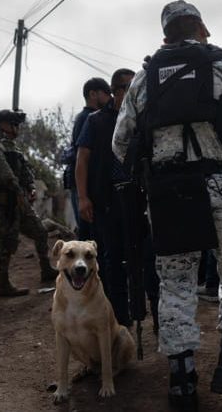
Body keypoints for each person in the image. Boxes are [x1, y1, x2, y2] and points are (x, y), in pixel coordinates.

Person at [113, 0, 222, 406]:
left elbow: (120, 144)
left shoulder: (143, 79)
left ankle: (182, 381)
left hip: (169, 196)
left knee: (175, 284)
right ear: (201, 28)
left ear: (165, 35)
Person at [76, 68, 142, 326]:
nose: (132, 92)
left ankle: (151, 319)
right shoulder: (95, 120)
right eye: (127, 87)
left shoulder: (142, 118)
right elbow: (82, 159)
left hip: (138, 200)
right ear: (115, 90)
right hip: (106, 200)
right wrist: (83, 197)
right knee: (112, 262)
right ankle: (119, 323)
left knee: (142, 260)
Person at [0, 109, 61, 297]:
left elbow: (26, 172)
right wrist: (19, 192)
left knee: (40, 231)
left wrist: (30, 187)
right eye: (14, 124)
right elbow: (5, 174)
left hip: (20, 200)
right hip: (6, 201)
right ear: (3, 125)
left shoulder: (15, 149)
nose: (17, 128)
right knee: (7, 241)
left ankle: (46, 269)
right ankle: (3, 285)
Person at [63, 78, 111, 239]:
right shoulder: (88, 118)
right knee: (88, 233)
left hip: (86, 184)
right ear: (93, 94)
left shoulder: (87, 117)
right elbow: (82, 158)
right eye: (106, 94)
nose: (110, 98)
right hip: (83, 184)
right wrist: (84, 196)